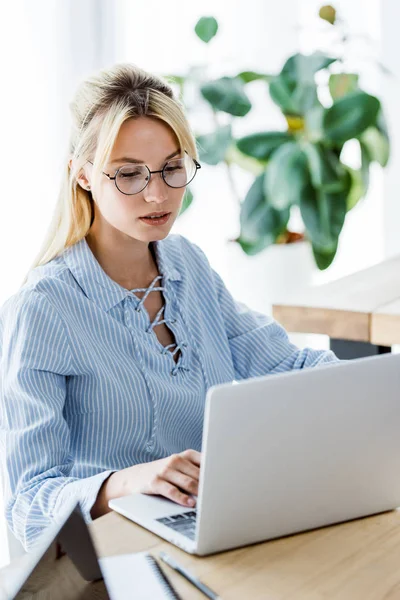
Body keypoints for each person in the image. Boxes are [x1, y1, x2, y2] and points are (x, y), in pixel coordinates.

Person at [0, 63, 338, 552]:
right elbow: (27, 507)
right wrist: (124, 483)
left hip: (207, 531)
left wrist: (367, 390)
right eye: (129, 174)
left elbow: (285, 365)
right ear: (83, 175)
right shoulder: (43, 310)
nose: (158, 194)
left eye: (172, 169)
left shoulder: (186, 264)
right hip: (111, 555)